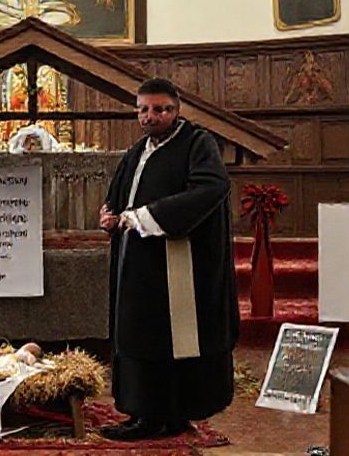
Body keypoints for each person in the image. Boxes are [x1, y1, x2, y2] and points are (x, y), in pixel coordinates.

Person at [98, 78, 238, 440]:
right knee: (137, 334)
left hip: (177, 264)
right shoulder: (138, 150)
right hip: (137, 264)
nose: (151, 116)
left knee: (162, 338)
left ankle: (159, 417)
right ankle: (144, 411)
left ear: (176, 111)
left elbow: (212, 187)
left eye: (160, 109)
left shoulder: (196, 143)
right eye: (144, 109)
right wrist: (111, 218)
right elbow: (119, 200)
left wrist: (146, 217)